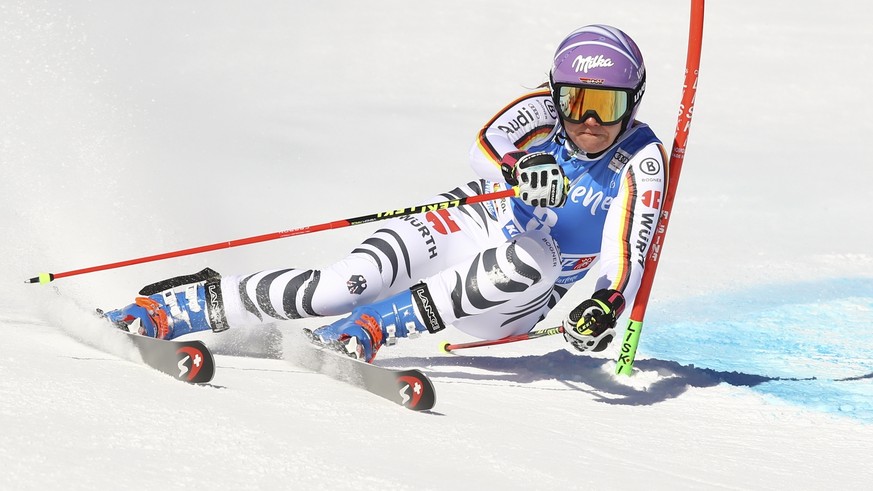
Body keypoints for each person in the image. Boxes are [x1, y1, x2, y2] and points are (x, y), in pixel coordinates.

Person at [104, 24, 666, 362]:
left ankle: (374, 328)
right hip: (475, 219)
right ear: (556, 93)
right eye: (575, 101)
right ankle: (176, 307)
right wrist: (518, 168)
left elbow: (630, 253)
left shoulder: (639, 160)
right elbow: (484, 146)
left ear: (632, 103)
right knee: (346, 282)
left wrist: (604, 303)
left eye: (607, 105)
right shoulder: (541, 113)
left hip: (514, 299)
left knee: (532, 259)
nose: (588, 120)